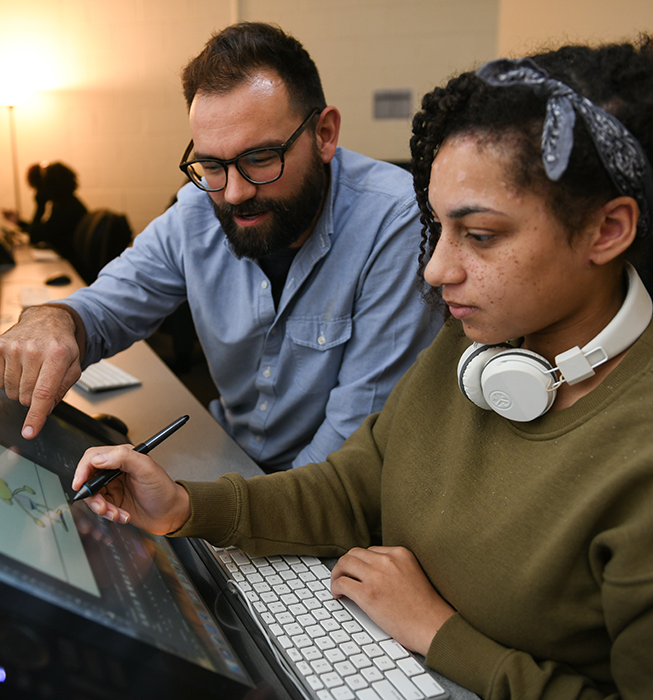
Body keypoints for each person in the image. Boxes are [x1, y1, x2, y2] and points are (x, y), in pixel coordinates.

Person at [70, 36, 653, 698]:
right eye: (438, 229)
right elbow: (349, 489)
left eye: (481, 236)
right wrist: (182, 506)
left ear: (607, 231)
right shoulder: (476, 349)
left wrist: (439, 633)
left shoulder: (635, 456)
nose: (435, 270)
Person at [0, 22, 442, 471]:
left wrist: (224, 513)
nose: (233, 193)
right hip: (233, 458)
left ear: (324, 134)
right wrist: (56, 319)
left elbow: (349, 453)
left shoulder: (395, 222)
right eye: (211, 164)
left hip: (321, 500)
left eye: (260, 158)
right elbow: (105, 308)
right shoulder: (196, 209)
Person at [3, 161, 88, 263]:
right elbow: (43, 231)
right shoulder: (66, 203)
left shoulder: (66, 209)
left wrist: (40, 206)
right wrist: (19, 222)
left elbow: (37, 236)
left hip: (73, 266)